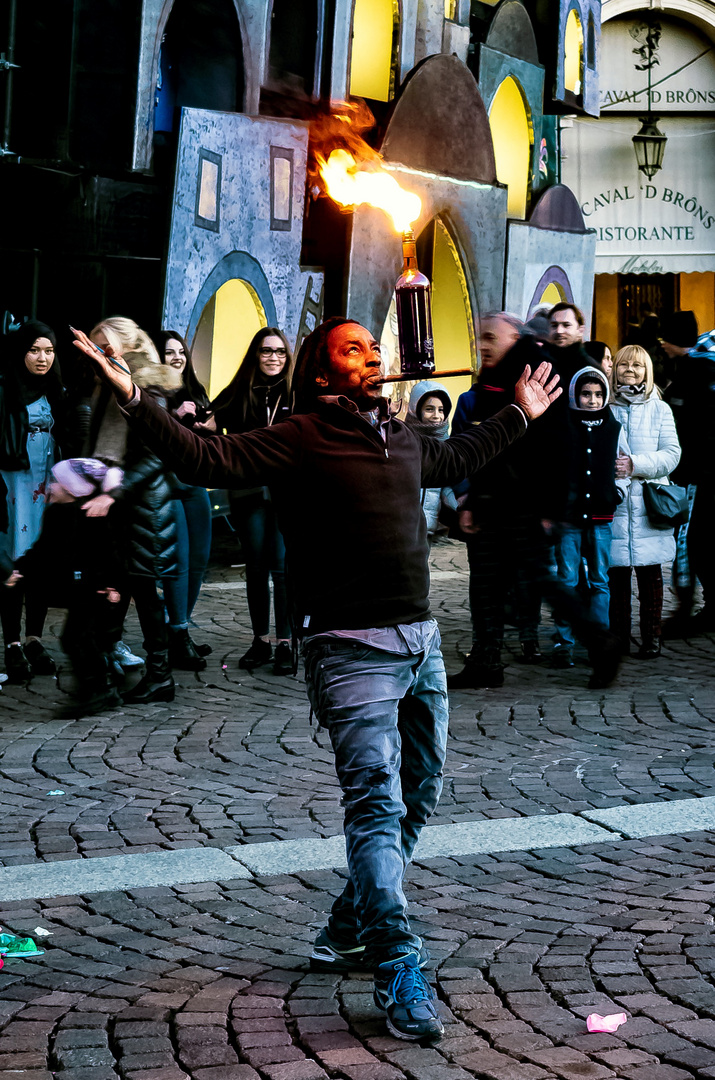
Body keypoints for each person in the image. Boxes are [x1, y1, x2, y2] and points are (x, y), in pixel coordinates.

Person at [71, 315, 560, 1043]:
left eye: (372, 347)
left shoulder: (398, 436)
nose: (370, 356)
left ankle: (346, 926)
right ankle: (397, 959)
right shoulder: (300, 436)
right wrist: (134, 395)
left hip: (420, 643)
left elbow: (458, 456)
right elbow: (206, 457)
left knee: (418, 795)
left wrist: (521, 412)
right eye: (350, 350)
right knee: (376, 806)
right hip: (349, 649)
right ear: (323, 373)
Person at [81, 317, 181, 704]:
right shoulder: (107, 379)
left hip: (142, 506)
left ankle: (159, 676)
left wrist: (113, 493)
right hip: (121, 502)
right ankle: (108, 667)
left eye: (104, 347)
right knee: (117, 587)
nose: (98, 354)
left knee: (142, 590)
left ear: (126, 345)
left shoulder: (147, 382)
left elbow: (159, 451)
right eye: (94, 347)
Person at [449, 313, 544, 688]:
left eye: (491, 337)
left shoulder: (532, 384)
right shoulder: (478, 394)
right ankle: (486, 659)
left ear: (514, 338)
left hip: (519, 508)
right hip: (488, 505)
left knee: (538, 583)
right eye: (480, 338)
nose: (483, 345)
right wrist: (467, 497)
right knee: (485, 588)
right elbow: (462, 451)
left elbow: (546, 452)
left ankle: (599, 640)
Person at [206, 328, 294, 676]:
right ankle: (261, 640)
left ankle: (287, 643)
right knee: (256, 566)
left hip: (287, 490)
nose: (273, 357)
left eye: (280, 352)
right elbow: (208, 425)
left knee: (283, 566)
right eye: (266, 351)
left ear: (287, 358)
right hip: (248, 490)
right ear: (255, 356)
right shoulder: (240, 391)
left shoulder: (295, 393)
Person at [0, 320, 65, 682]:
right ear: (20, 351)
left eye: (50, 351)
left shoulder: (56, 388)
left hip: (47, 478)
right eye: (35, 350)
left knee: (39, 560)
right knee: (13, 560)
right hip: (11, 481)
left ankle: (34, 638)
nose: (43, 358)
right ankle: (12, 643)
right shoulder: (5, 386)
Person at [550, 366, 627, 668]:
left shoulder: (613, 427)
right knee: (567, 579)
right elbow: (554, 469)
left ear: (605, 396)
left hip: (600, 516)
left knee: (599, 581)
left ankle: (599, 641)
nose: (592, 400)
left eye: (597, 394)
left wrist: (617, 492)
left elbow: (623, 464)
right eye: (586, 394)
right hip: (569, 517)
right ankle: (563, 642)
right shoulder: (566, 426)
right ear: (576, 396)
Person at [608, 346, 681, 658]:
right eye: (624, 364)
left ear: (647, 371)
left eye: (638, 365)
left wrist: (635, 464)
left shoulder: (659, 409)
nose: (630, 370)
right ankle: (619, 638)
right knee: (617, 578)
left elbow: (671, 454)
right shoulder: (606, 406)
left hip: (649, 505)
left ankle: (652, 637)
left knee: (651, 577)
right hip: (615, 506)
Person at [156, 330, 213, 670]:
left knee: (200, 558)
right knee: (177, 559)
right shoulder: (153, 393)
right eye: (168, 352)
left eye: (180, 351)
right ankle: (176, 633)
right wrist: (175, 418)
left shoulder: (195, 391)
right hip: (166, 484)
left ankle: (180, 628)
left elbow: (210, 435)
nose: (176, 357)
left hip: (195, 482)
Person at [661, 319, 715, 635]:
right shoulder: (699, 367)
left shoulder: (695, 369)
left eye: (664, 339)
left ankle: (686, 610)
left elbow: (693, 426)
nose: (661, 345)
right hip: (698, 473)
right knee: (701, 542)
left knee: (686, 542)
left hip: (694, 475)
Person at [403, 382, 458, 542]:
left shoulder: (447, 447)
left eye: (441, 410)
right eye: (429, 409)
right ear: (415, 410)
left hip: (428, 528)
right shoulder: (404, 441)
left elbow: (447, 486)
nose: (436, 416)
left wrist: (459, 507)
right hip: (403, 525)